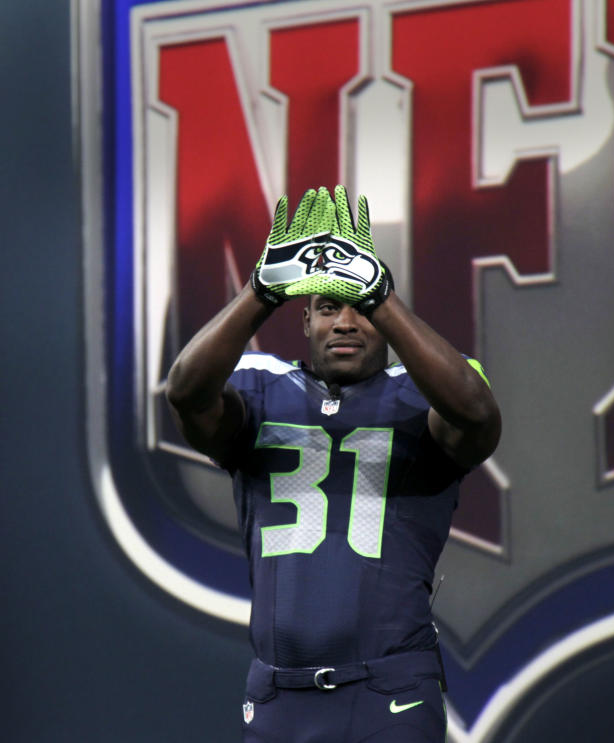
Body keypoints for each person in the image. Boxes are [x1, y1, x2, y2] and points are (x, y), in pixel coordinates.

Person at [165, 185, 501, 743]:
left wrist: (381, 296)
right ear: (304, 322)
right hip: (276, 694)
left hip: (387, 692)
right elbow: (185, 393)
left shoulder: (425, 393)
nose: (346, 321)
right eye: (327, 306)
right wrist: (260, 291)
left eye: (361, 308)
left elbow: (475, 413)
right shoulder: (262, 389)